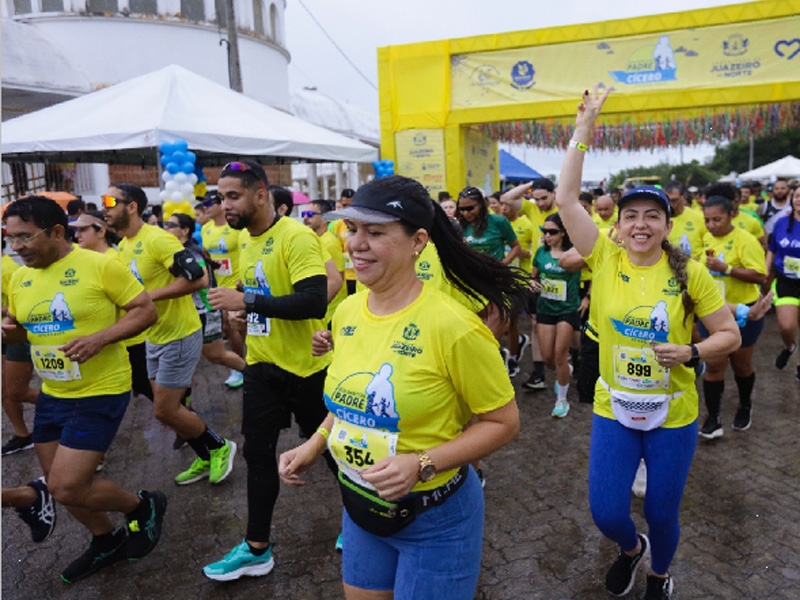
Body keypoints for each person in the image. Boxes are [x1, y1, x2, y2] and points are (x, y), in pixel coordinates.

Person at [277, 174, 525, 600]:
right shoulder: (349, 312)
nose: (356, 244)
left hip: (437, 519)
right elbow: (352, 400)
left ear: (418, 242)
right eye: (353, 230)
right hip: (360, 507)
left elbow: (503, 422)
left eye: (375, 232)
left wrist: (422, 462)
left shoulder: (455, 327)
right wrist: (315, 444)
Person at [556, 87, 740, 600]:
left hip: (674, 408)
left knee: (662, 509)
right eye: (631, 215)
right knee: (607, 510)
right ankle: (631, 548)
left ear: (666, 225)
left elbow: (731, 334)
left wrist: (693, 352)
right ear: (618, 225)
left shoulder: (691, 273)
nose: (640, 224)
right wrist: (586, 126)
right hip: (614, 404)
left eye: (651, 216)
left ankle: (659, 574)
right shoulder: (604, 259)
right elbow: (567, 197)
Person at [3, 196, 167, 583]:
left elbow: (145, 310)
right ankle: (105, 539)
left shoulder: (100, 265)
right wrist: (12, 331)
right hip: (53, 393)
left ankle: (142, 506)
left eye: (24, 237)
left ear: (57, 232)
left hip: (99, 390)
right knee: (65, 486)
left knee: (63, 486)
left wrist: (100, 338)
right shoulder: (20, 276)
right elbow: (22, 324)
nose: (16, 247)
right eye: (10, 239)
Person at [203, 160, 339, 580]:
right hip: (263, 367)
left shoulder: (295, 236)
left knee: (336, 453)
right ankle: (256, 547)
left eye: (233, 196)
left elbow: (314, 301)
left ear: (261, 194)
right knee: (257, 453)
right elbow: (261, 295)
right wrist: (246, 311)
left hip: (308, 368)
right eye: (221, 197)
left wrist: (249, 303)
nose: (224, 205)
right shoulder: (247, 240)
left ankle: (364, 523)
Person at [105, 184, 237, 485]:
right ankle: (206, 455)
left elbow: (198, 279)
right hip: (154, 336)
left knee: (165, 409)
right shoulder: (124, 245)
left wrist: (147, 298)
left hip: (179, 333)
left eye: (111, 201)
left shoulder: (157, 239)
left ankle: (218, 447)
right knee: (166, 410)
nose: (105, 207)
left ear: (132, 206)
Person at [699, 196, 767, 438]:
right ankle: (713, 419)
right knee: (714, 364)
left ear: (731, 215)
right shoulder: (704, 239)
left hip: (745, 311)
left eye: (717, 219)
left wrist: (725, 268)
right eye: (707, 220)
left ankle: (745, 405)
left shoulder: (746, 241)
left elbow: (760, 275)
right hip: (713, 311)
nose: (711, 225)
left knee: (740, 364)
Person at [164, 212, 246, 389]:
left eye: (170, 225)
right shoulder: (176, 251)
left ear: (185, 231)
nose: (165, 228)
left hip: (205, 310)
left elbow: (202, 281)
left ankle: (251, 375)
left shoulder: (191, 253)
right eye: (165, 224)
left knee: (216, 355)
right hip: (187, 313)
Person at [530, 213, 582, 418]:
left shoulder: (572, 254)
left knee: (560, 354)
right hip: (545, 309)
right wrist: (531, 283)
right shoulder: (541, 253)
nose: (547, 235)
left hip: (567, 309)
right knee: (548, 358)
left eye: (552, 231)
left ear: (563, 233)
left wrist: (586, 297)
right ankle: (565, 371)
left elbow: (591, 269)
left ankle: (562, 400)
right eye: (545, 231)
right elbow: (532, 276)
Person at [200, 191, 246, 389]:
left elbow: (247, 252)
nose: (206, 207)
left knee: (233, 324)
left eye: (210, 203)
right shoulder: (206, 229)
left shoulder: (236, 227)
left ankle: (242, 364)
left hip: (237, 285)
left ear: (221, 205)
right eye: (204, 204)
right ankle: (240, 364)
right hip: (218, 285)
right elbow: (208, 256)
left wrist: (243, 280)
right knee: (227, 326)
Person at [1, 237, 38, 455]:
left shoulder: (7, 269)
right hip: (3, 334)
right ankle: (22, 435)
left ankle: (71, 407)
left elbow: (20, 304)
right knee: (5, 391)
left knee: (15, 391)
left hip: (15, 335)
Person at [767, 185, 800, 378]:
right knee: (786, 326)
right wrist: (765, 269)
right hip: (786, 280)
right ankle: (790, 347)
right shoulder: (781, 223)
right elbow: (772, 248)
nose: (799, 200)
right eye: (796, 196)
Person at [303, 199, 348, 326]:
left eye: (310, 214)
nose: (305, 218)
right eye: (304, 214)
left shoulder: (329, 243)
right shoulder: (315, 240)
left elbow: (339, 277)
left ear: (325, 219)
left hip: (331, 312)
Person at [457, 186, 520, 265]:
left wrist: (503, 264)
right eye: (462, 209)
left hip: (496, 274)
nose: (466, 213)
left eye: (470, 208)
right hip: (471, 274)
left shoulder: (499, 221)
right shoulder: (460, 226)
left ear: (481, 205)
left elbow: (515, 246)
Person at [663, 181, 705, 260]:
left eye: (674, 200)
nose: (670, 204)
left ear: (684, 197)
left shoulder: (699, 218)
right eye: (667, 200)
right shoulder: (658, 220)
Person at [333, 189, 358, 294]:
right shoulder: (337, 225)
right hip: (344, 277)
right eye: (344, 205)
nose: (347, 209)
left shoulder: (363, 223)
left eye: (350, 205)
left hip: (359, 276)